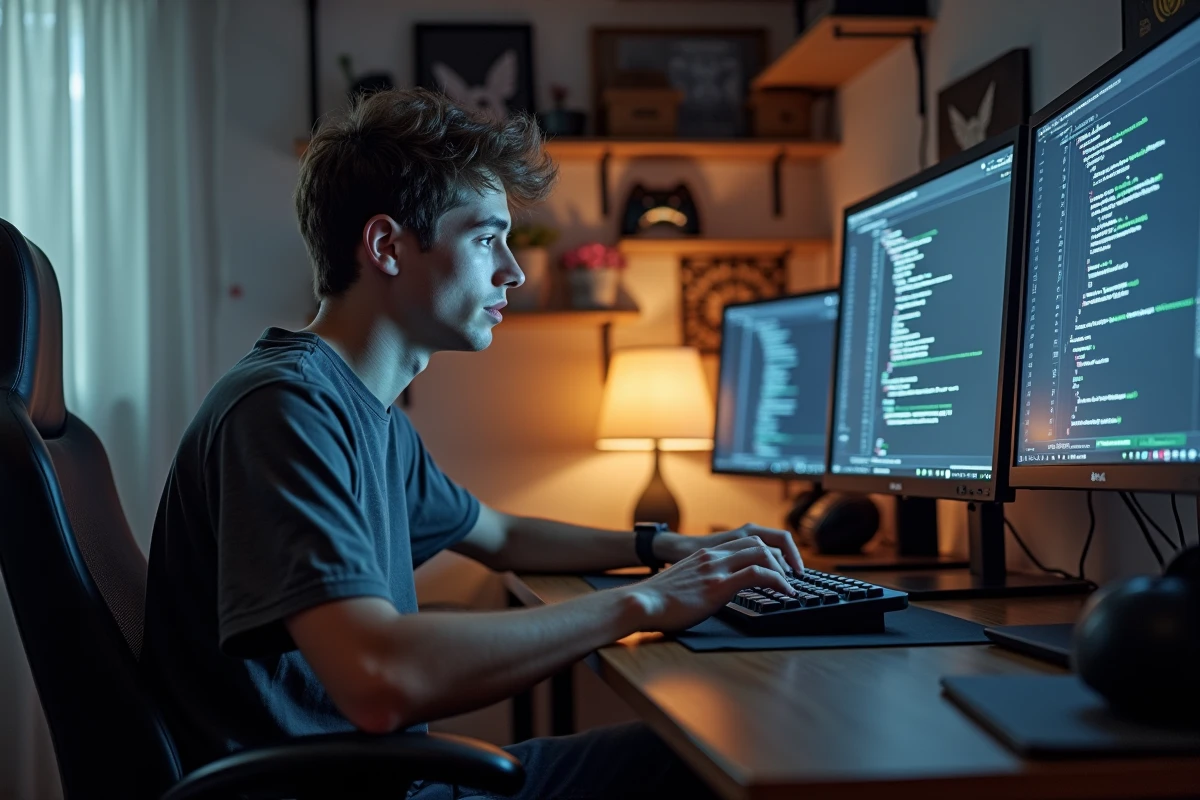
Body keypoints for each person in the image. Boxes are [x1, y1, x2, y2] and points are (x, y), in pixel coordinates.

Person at [141, 87, 805, 800]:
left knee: (712, 751)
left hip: (372, 781)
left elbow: (501, 534)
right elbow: (380, 681)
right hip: (339, 790)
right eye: (487, 238)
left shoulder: (367, 413)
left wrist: (661, 550)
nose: (513, 271)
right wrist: (645, 603)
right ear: (387, 247)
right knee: (725, 762)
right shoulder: (285, 409)